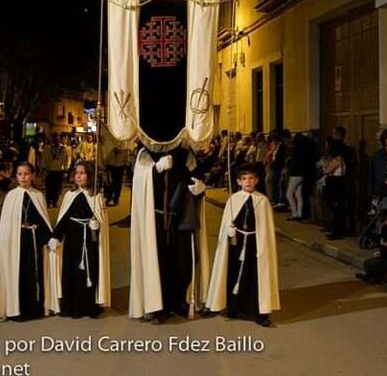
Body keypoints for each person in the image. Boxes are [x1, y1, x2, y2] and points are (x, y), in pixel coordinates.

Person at [128, 146, 210, 324]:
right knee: (159, 262)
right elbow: (140, 184)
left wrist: (200, 189)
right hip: (155, 219)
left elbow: (195, 179)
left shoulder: (186, 154)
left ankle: (179, 300)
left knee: (184, 261)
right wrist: (156, 169)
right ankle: (159, 306)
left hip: (181, 217)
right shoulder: (146, 154)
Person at [205, 162, 279, 327]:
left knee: (255, 276)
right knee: (233, 273)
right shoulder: (234, 199)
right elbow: (227, 222)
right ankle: (233, 307)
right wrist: (229, 230)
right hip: (236, 244)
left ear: (257, 180)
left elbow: (266, 229)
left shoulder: (263, 201)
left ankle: (260, 312)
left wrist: (261, 244)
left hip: (255, 245)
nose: (248, 182)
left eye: (251, 178)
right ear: (238, 181)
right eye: (244, 179)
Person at [0, 162, 57, 321]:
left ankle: (34, 309)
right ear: (16, 176)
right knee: (18, 272)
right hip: (17, 240)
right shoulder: (11, 196)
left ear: (33, 176)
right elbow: (7, 226)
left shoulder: (38, 195)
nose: (23, 177)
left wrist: (49, 238)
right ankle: (17, 309)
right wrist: (6, 243)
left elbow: (43, 220)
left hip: (34, 239)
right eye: (20, 174)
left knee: (34, 273)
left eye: (26, 174)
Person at [50, 162, 110, 318]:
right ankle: (72, 306)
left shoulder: (96, 197)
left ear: (90, 176)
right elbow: (63, 219)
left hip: (90, 241)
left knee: (89, 272)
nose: (78, 176)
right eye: (76, 173)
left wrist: (97, 225)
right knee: (72, 272)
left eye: (82, 173)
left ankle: (89, 306)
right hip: (72, 241)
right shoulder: (69, 195)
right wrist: (56, 236)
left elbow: (102, 220)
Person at [356, 212, 387, 284]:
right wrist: (381, 249)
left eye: (385, 221)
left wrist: (383, 245)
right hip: (385, 256)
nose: (383, 223)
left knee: (374, 264)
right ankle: (371, 277)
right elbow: (382, 240)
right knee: (367, 263)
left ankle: (372, 278)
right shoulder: (385, 228)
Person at [320, 136, 348, 240]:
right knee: (339, 208)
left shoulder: (336, 160)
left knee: (335, 209)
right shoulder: (342, 159)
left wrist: (324, 167)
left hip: (334, 184)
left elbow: (326, 171)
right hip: (340, 183)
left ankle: (336, 231)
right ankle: (339, 230)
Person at [285, 133, 307, 222]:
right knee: (298, 194)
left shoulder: (296, 150)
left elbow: (293, 163)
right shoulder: (304, 150)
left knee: (289, 194)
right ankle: (299, 215)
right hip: (302, 174)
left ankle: (295, 214)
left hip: (295, 174)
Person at [42, 135, 66, 208]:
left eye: (57, 139)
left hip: (58, 170)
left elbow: (65, 160)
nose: (56, 141)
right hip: (49, 170)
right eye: (55, 139)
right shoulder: (47, 149)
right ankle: (48, 201)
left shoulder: (62, 149)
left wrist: (65, 169)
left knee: (57, 187)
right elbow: (43, 158)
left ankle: (54, 201)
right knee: (49, 187)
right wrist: (44, 168)